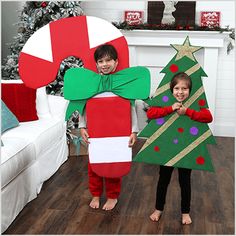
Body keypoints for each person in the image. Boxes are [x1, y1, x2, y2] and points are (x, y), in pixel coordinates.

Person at [147, 72, 213, 224]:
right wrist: (170, 108)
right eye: (177, 88)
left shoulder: (195, 103)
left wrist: (188, 112)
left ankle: (185, 212)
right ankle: (158, 209)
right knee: (163, 179)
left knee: (185, 181)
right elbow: (151, 112)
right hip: (167, 149)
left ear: (190, 90)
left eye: (184, 89)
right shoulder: (167, 102)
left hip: (185, 149)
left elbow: (208, 117)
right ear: (171, 90)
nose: (180, 92)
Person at [79, 44, 138, 211]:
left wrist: (134, 130)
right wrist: (82, 126)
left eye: (108, 60)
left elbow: (131, 108)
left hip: (118, 133)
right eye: (100, 61)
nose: (104, 64)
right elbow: (84, 106)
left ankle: (112, 196)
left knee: (114, 166)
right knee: (94, 166)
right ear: (96, 64)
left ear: (116, 62)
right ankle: (96, 194)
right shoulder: (92, 84)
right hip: (97, 133)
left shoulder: (123, 84)